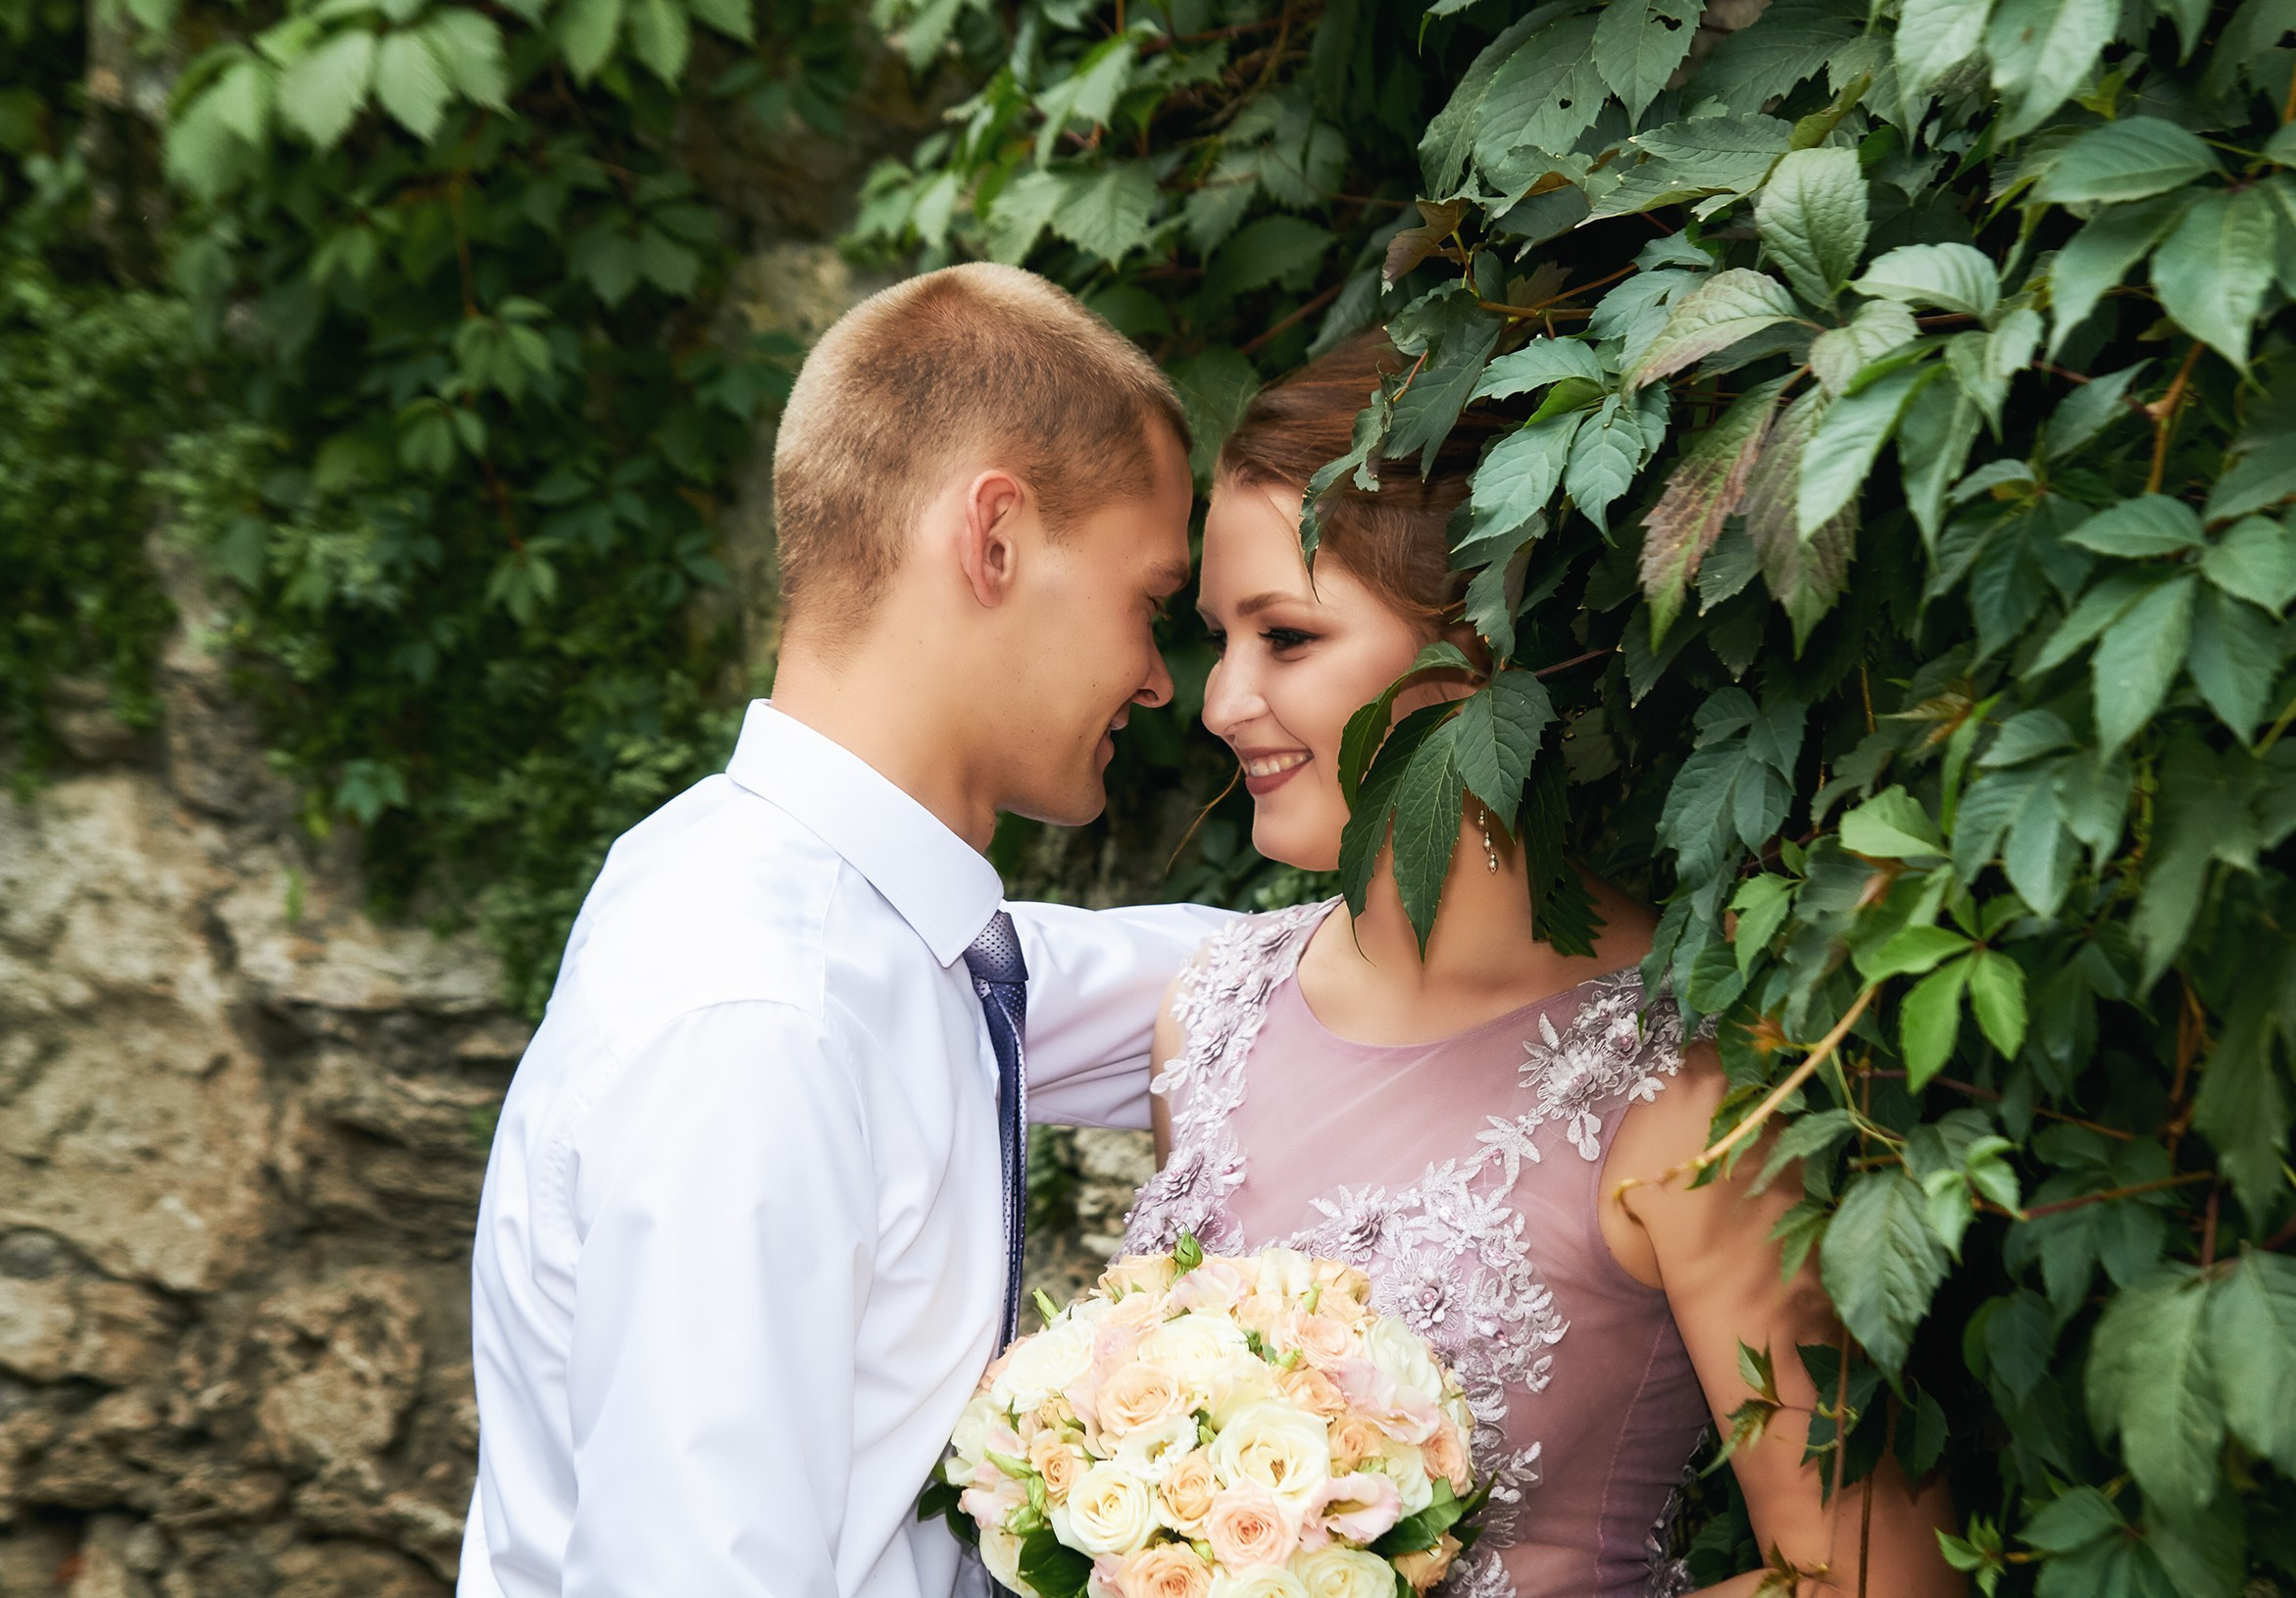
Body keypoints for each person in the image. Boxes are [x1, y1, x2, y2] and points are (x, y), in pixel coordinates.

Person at [1123, 335, 1960, 1598]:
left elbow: (1877, 1572)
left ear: (1480, 651)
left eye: (1286, 639)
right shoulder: (1209, 1018)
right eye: (1216, 639)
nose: (1221, 699)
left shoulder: (1687, 1090)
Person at [459, 264, 1231, 1598]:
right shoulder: (765, 1017)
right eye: (1147, 599)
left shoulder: (840, 920)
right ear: (992, 537)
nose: (1162, 676)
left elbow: (1167, 986)